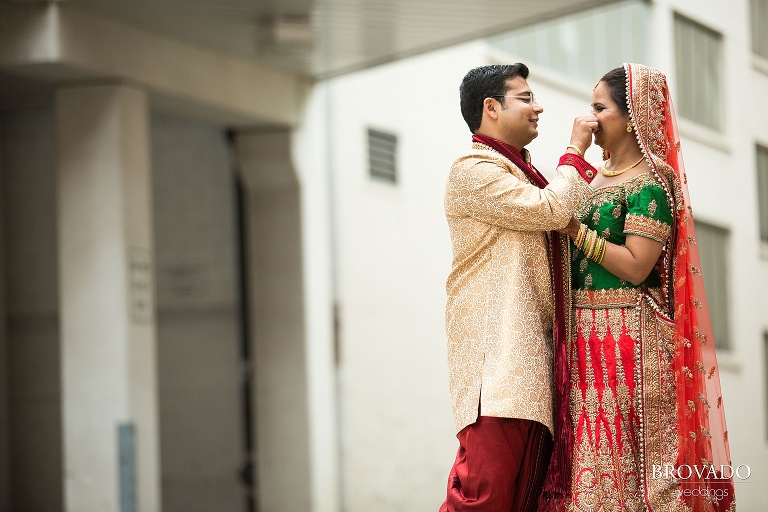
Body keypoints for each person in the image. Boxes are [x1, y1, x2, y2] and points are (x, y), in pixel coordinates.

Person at [540, 63, 736, 512]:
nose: (589, 119)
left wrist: (575, 230)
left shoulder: (652, 184)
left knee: (633, 467)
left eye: (599, 108)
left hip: (630, 339)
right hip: (582, 338)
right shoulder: (591, 178)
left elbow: (635, 265)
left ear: (632, 117)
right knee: (588, 462)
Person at [440, 63, 598, 512]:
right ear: (491, 108)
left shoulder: (521, 173)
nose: (538, 107)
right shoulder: (472, 170)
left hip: (531, 373)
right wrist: (576, 149)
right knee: (482, 500)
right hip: (499, 374)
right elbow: (554, 210)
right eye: (526, 98)